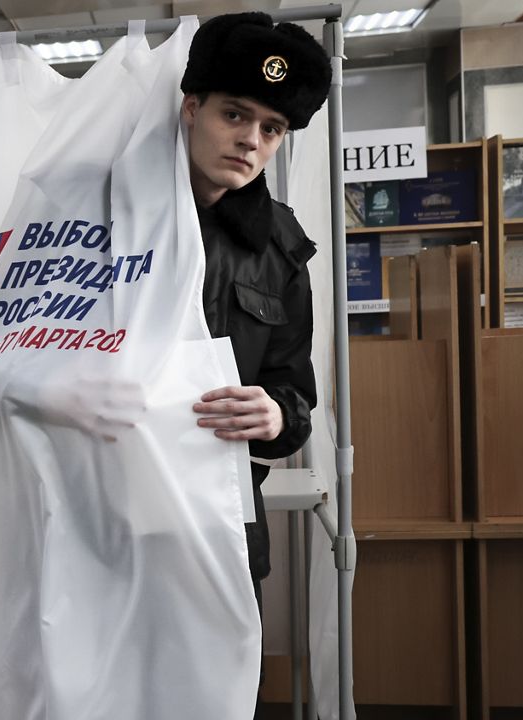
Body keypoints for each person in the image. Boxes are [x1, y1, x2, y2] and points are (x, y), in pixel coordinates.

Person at [181, 12, 329, 615]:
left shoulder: (281, 249)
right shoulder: (108, 220)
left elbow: (297, 397)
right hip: (104, 522)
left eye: (272, 129)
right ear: (192, 107)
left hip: (224, 526)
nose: (250, 140)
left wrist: (274, 414)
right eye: (235, 114)